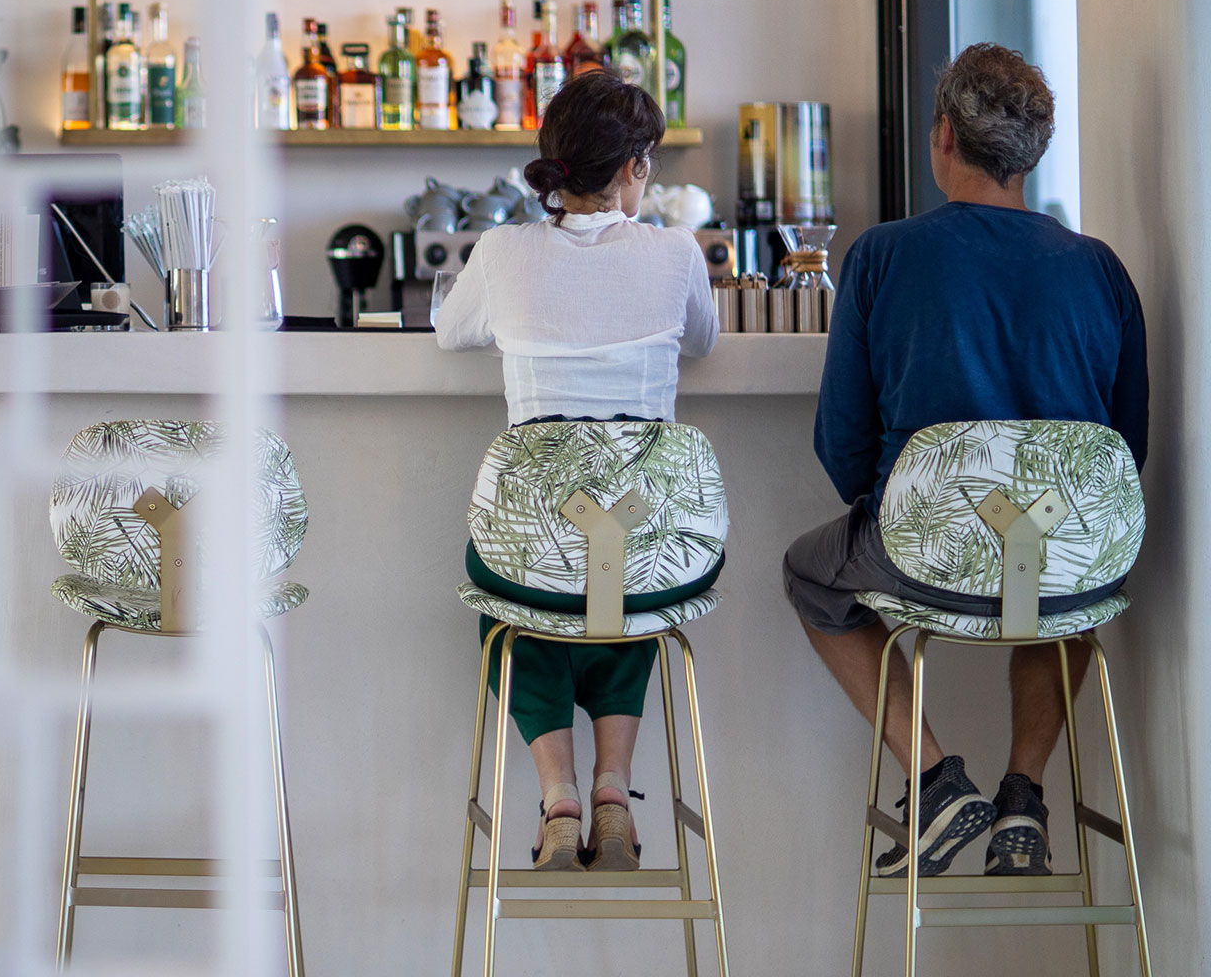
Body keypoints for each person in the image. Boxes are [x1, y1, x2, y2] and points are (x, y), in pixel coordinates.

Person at [784, 43, 1148, 878]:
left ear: (942, 134)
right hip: (1069, 558)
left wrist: (897, 509)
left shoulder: (882, 256)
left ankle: (938, 780)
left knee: (811, 574)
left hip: (926, 560)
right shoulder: (1101, 270)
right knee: (1070, 594)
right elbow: (1123, 456)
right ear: (1034, 151)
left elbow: (840, 442)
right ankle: (1025, 799)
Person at [437, 72, 719, 870]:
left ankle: (558, 796)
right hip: (648, 545)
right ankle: (613, 788)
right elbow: (704, 341)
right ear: (633, 166)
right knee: (629, 580)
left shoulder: (501, 250)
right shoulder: (675, 253)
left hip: (535, 543)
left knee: (512, 590)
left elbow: (450, 334)